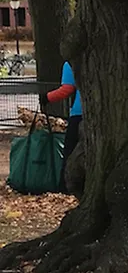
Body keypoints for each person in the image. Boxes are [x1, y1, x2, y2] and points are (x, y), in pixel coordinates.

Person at [39, 61, 83, 193]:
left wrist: (46, 97)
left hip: (78, 114)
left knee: (69, 152)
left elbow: (67, 89)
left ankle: (65, 186)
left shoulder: (70, 63)